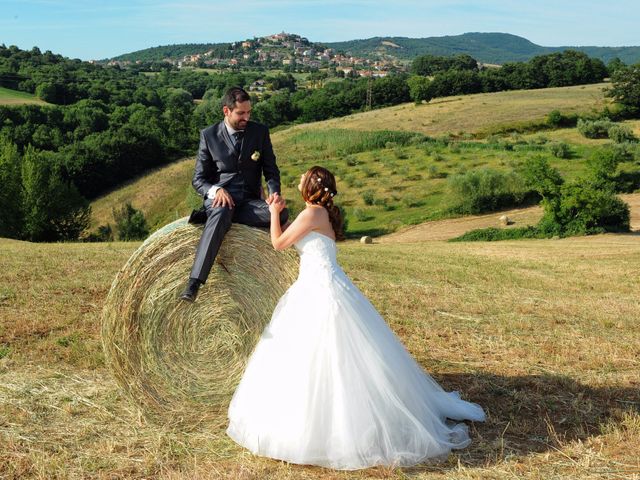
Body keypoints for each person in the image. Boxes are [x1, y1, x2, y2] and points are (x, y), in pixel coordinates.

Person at [226, 166, 486, 470]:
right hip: (320, 283)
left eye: (302, 178)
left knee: (323, 354)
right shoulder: (319, 214)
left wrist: (272, 212)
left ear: (311, 185)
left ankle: (326, 430)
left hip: (319, 289)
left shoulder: (312, 213)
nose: (297, 181)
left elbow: (279, 243)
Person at [180, 86, 288, 302]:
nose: (246, 117)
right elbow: (198, 180)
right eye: (241, 113)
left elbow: (271, 170)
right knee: (221, 212)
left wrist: (274, 194)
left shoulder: (260, 132)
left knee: (281, 215)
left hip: (249, 202)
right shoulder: (209, 135)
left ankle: (217, 221)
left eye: (249, 113)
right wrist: (215, 190)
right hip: (221, 202)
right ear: (226, 111)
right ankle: (194, 282)